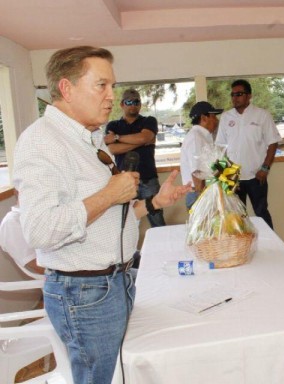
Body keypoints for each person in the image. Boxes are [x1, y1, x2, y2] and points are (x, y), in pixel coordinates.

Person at [12, 45, 191, 384]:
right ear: (66, 88)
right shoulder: (42, 142)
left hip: (113, 283)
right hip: (84, 292)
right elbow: (39, 230)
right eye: (102, 85)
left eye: (113, 86)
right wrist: (108, 194)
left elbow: (108, 219)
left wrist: (153, 204)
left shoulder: (91, 137)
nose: (113, 96)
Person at [215, 79, 281, 229]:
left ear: (249, 96)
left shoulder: (262, 115)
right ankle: (242, 249)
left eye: (239, 94)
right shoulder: (226, 117)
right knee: (236, 216)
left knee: (261, 212)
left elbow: (273, 142)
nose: (235, 98)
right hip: (233, 177)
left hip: (256, 176)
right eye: (232, 94)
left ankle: (272, 247)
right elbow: (220, 147)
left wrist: (265, 168)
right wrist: (225, 175)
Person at [105, 88, 165, 227]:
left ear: (140, 104)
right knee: (126, 222)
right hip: (124, 180)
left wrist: (118, 138)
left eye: (136, 101)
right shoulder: (113, 125)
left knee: (157, 219)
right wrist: (141, 142)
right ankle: (130, 250)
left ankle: (163, 249)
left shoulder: (149, 120)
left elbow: (145, 136)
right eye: (129, 101)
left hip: (148, 179)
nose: (133, 104)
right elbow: (111, 149)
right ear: (122, 104)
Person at [180, 101, 223, 209]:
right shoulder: (196, 138)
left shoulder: (202, 136)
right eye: (214, 117)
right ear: (204, 118)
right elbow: (197, 172)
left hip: (205, 192)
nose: (217, 120)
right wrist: (203, 199)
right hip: (199, 194)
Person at [0, 190, 45, 276]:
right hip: (65, 276)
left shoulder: (44, 212)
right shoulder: (11, 222)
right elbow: (37, 265)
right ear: (17, 192)